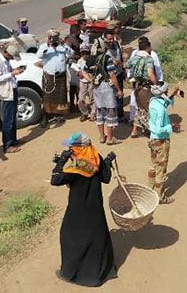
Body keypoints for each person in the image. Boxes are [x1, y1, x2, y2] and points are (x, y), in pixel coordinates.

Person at [51, 133, 117, 287]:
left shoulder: (76, 166)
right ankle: (102, 272)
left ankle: (71, 273)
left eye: (71, 147)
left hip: (78, 209)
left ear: (79, 148)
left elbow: (55, 180)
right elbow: (105, 177)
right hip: (95, 207)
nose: (69, 149)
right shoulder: (95, 157)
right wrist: (107, 161)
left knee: (69, 237)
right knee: (97, 237)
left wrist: (61, 161)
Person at [148, 83, 180, 204]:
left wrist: (173, 94)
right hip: (161, 140)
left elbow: (165, 102)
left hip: (152, 139)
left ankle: (150, 189)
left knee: (153, 165)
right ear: (163, 93)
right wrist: (170, 127)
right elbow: (158, 128)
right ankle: (159, 196)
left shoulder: (153, 102)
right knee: (161, 168)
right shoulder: (161, 110)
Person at [36, 30, 73, 128]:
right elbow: (39, 55)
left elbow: (71, 54)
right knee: (47, 97)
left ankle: (58, 115)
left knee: (61, 97)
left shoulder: (62, 47)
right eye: (52, 37)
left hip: (60, 76)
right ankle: (45, 117)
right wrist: (48, 44)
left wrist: (64, 44)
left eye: (56, 36)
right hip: (49, 76)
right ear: (49, 37)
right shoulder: (44, 46)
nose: (54, 39)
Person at [0, 44, 25, 154]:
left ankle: (13, 140)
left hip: (12, 89)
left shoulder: (6, 61)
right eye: (11, 56)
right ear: (6, 53)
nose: (12, 59)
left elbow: (7, 74)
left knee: (13, 117)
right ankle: (7, 145)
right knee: (8, 120)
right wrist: (12, 73)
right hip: (6, 93)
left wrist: (15, 71)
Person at [89, 45, 124, 145]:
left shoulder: (91, 58)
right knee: (111, 111)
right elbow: (112, 75)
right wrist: (118, 89)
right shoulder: (107, 58)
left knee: (100, 110)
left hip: (96, 87)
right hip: (106, 87)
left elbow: (83, 71)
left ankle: (101, 137)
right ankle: (110, 138)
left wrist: (91, 80)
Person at [128, 40, 158, 139]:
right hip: (146, 87)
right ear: (147, 47)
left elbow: (127, 65)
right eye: (150, 47)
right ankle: (149, 131)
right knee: (149, 109)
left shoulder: (134, 58)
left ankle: (135, 131)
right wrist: (156, 84)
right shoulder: (148, 59)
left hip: (136, 87)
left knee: (140, 109)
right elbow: (150, 74)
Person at [74, 47, 95, 122]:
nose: (84, 55)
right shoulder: (79, 61)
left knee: (92, 98)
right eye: (83, 53)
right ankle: (84, 113)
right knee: (80, 99)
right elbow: (77, 70)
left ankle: (93, 114)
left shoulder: (92, 60)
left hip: (91, 81)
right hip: (82, 81)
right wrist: (78, 73)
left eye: (86, 53)